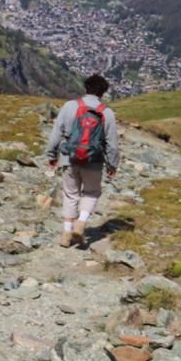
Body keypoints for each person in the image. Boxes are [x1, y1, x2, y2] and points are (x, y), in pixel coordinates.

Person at [44, 73, 120, 248]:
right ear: (103, 93)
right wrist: (112, 164)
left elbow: (56, 133)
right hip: (93, 159)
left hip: (69, 158)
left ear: (85, 88)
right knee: (91, 192)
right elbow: (112, 144)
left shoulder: (69, 106)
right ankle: (81, 223)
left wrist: (51, 155)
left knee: (70, 194)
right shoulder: (106, 113)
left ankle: (66, 233)